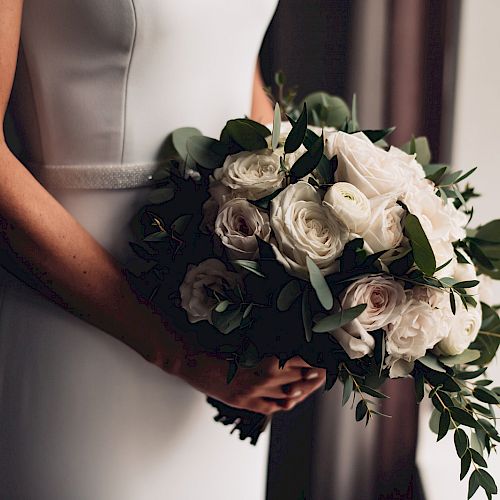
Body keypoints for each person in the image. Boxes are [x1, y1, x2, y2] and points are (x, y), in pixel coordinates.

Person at [0, 1, 326, 498]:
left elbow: (237, 73)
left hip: (221, 323)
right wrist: (178, 354)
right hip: (78, 320)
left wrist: (302, 279)